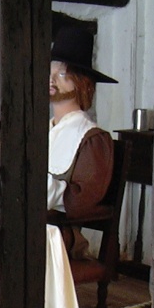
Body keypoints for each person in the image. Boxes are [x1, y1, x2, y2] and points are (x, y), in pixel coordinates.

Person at [47, 26, 118, 258]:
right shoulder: (42, 131)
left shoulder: (92, 140)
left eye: (62, 74)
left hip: (60, 235)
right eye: (50, 71)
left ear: (80, 82)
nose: (51, 79)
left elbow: (81, 204)